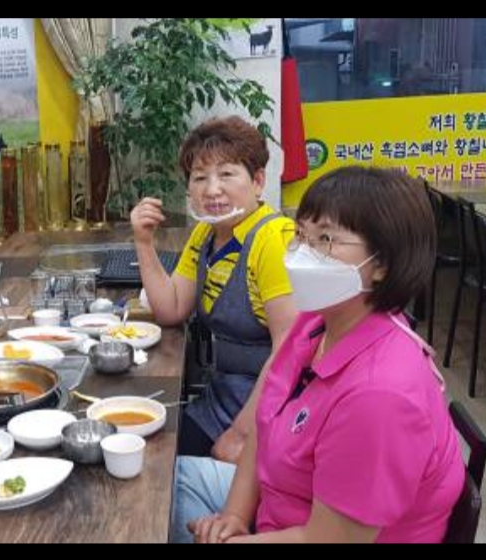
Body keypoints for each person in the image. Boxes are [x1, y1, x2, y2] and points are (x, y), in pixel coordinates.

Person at [173, 166, 465, 543]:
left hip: (317, 534)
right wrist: (234, 515)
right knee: (170, 482)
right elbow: (265, 424)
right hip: (279, 504)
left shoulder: (379, 396)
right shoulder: (316, 322)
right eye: (301, 236)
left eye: (325, 239)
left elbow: (329, 539)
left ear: (382, 263)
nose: (302, 254)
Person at [130, 116, 297, 460]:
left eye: (226, 174)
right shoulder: (206, 234)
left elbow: (289, 349)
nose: (211, 190)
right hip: (221, 397)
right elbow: (171, 308)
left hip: (270, 410)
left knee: (163, 463)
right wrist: (143, 242)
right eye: (200, 177)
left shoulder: (272, 239)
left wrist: (240, 434)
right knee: (149, 449)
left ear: (258, 181)